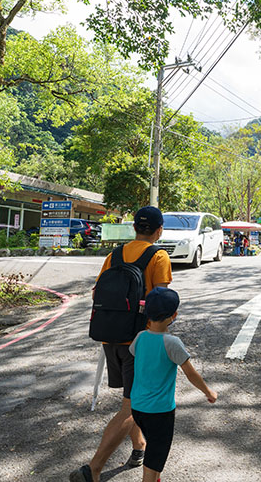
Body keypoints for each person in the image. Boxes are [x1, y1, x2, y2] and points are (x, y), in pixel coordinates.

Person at [71, 206, 172, 482]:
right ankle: (93, 469)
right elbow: (161, 304)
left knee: (130, 398)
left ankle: (139, 447)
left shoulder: (113, 256)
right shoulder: (158, 256)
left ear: (135, 228)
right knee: (131, 407)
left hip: (109, 339)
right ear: (159, 229)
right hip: (139, 343)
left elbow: (97, 295)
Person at [129, 287, 217, 482]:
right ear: (173, 315)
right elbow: (191, 374)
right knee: (155, 457)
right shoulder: (171, 342)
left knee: (154, 446)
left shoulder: (140, 337)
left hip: (138, 407)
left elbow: (135, 354)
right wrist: (208, 391)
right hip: (160, 412)